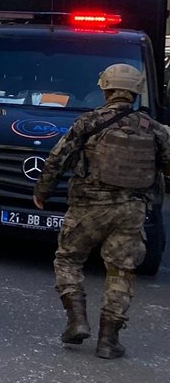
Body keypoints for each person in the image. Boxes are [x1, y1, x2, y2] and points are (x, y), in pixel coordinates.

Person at [33, 63, 170, 359]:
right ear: (135, 91)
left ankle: (77, 320)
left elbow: (58, 158)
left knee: (68, 259)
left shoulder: (89, 122)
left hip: (88, 207)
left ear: (105, 88)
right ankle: (109, 340)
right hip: (131, 209)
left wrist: (42, 191)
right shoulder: (155, 129)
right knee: (121, 271)